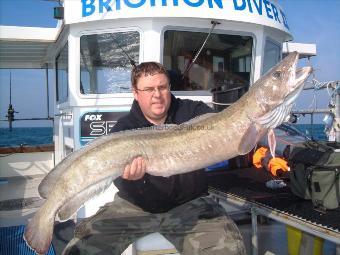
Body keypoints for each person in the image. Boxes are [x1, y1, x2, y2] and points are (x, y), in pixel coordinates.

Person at [63, 62, 246, 255]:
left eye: (162, 87)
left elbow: (227, 131)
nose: (157, 95)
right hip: (134, 206)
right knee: (80, 250)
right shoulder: (124, 129)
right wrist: (131, 179)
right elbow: (116, 179)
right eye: (149, 89)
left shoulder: (195, 112)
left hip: (190, 204)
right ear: (135, 93)